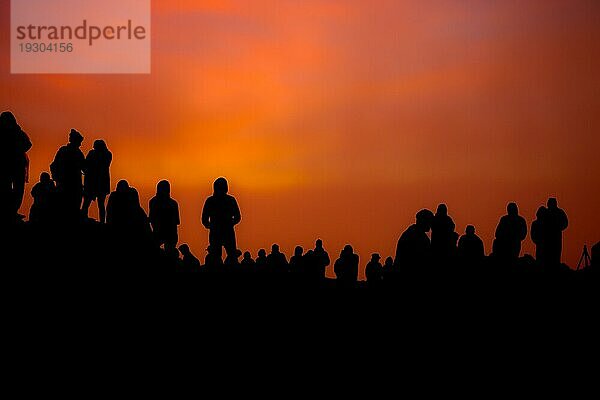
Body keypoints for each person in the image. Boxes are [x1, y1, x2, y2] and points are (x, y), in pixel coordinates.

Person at [0, 111, 32, 221]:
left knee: (18, 189)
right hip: (7, 166)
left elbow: (28, 144)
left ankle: (13, 210)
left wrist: (17, 151)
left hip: (17, 165)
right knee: (7, 189)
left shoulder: (18, 132)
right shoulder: (3, 133)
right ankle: (8, 211)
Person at [201, 178, 241, 260]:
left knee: (230, 255)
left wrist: (229, 224)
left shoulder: (211, 201)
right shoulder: (228, 200)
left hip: (223, 231)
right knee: (217, 256)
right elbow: (204, 219)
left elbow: (238, 217)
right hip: (221, 232)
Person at [50, 129, 85, 221]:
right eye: (79, 142)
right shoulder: (75, 152)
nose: (80, 144)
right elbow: (85, 167)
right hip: (69, 183)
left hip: (68, 182)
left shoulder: (69, 151)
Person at [82, 139, 112, 223]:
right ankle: (86, 218)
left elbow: (88, 165)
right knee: (92, 203)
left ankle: (101, 221)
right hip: (98, 182)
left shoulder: (103, 154)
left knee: (95, 203)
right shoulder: (107, 154)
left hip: (96, 182)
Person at [149, 180, 181, 251]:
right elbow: (176, 222)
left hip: (163, 233)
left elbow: (151, 219)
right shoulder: (173, 203)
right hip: (166, 233)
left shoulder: (153, 202)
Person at [544, 198, 568, 265]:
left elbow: (565, 223)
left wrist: (558, 228)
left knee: (556, 253)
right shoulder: (546, 212)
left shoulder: (559, 212)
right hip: (547, 237)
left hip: (556, 236)